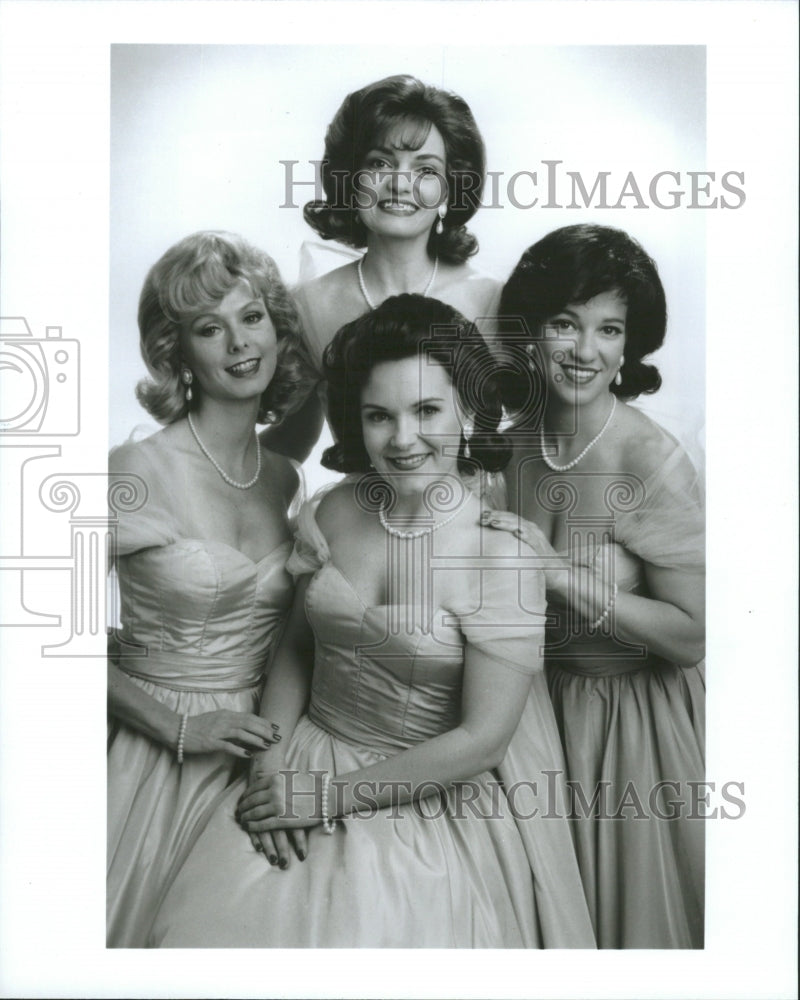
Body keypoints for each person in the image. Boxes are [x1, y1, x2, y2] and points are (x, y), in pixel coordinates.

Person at [150, 294, 595, 948]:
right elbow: (297, 649)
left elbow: (482, 741)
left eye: (426, 411)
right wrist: (272, 771)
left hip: (420, 794)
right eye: (379, 417)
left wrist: (328, 798)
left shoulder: (503, 554)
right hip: (301, 756)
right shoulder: (335, 509)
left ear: (469, 411)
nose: (403, 439)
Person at [484, 224, 705, 948]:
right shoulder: (510, 442)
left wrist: (560, 576)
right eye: (564, 324)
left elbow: (692, 634)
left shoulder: (649, 456)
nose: (585, 351)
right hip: (533, 719)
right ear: (533, 332)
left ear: (629, 343)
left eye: (609, 329)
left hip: (633, 725)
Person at [106, 231, 316, 947]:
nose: (238, 343)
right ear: (177, 352)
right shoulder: (135, 467)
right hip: (150, 756)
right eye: (208, 327)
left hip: (257, 753)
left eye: (251, 317)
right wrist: (176, 727)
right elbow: (34, 633)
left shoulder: (285, 475)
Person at [264, 74, 501, 461]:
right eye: (379, 163)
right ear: (352, 179)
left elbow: (520, 437)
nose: (400, 184)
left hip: (467, 512)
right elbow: (290, 441)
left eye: (425, 170)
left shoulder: (490, 298)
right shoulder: (308, 305)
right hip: (358, 514)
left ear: (449, 188)